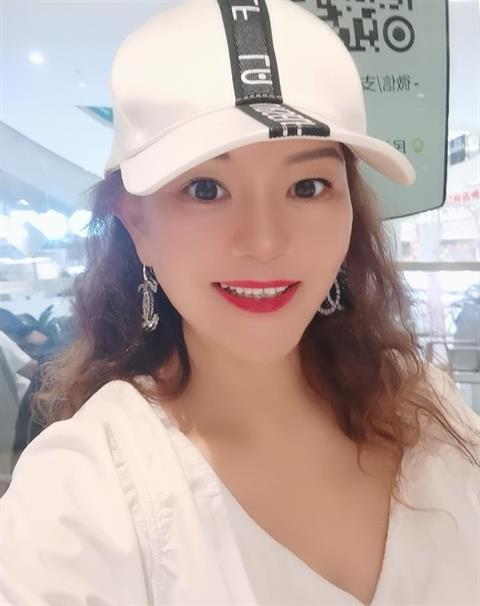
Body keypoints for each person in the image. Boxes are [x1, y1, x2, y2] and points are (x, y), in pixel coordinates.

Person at [1, 1, 479, 605]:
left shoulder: (430, 412)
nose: (265, 242)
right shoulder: (83, 497)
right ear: (136, 225)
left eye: (307, 186)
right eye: (206, 189)